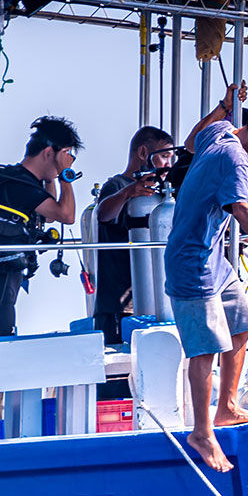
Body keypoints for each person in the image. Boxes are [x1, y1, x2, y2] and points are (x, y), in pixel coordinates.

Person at [163, 83, 248, 472]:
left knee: (243, 325)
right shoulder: (238, 158)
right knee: (205, 347)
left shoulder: (221, 131)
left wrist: (224, 106)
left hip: (216, 262)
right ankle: (202, 433)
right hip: (192, 262)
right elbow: (239, 207)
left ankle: (226, 407)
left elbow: (192, 139)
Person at [0, 116, 81, 422]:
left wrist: (53, 175)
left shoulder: (11, 179)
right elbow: (65, 215)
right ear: (49, 152)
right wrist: (65, 176)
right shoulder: (19, 186)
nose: (70, 160)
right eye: (68, 153)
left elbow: (50, 214)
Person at [91, 125, 174, 346]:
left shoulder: (162, 195)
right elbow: (103, 214)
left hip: (156, 303)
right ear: (143, 153)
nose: (169, 164)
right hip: (118, 307)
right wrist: (130, 192)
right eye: (164, 156)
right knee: (118, 375)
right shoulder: (116, 186)